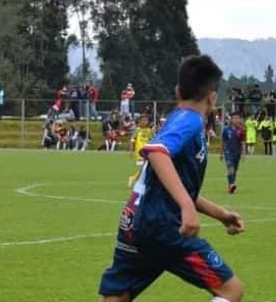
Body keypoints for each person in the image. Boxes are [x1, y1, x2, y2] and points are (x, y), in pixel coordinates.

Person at [97, 55, 246, 302]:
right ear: (212, 97)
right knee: (231, 291)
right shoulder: (190, 121)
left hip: (135, 221)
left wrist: (220, 214)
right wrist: (186, 207)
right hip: (163, 226)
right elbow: (157, 152)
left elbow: (177, 185)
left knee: (116, 298)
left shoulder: (176, 118)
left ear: (178, 91)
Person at [221, 114, 246, 194]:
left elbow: (243, 143)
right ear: (231, 120)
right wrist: (221, 153)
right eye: (234, 118)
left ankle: (230, 185)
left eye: (237, 118)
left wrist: (243, 154)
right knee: (230, 168)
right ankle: (232, 184)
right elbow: (223, 142)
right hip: (228, 152)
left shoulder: (241, 130)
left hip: (237, 153)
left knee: (234, 170)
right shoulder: (226, 130)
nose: (236, 120)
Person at [128, 116, 155, 187]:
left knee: (144, 168)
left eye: (146, 120)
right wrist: (131, 151)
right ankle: (135, 179)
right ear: (140, 122)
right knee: (143, 168)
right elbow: (132, 141)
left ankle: (135, 179)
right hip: (139, 152)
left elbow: (153, 140)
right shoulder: (137, 130)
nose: (145, 122)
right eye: (143, 120)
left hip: (147, 152)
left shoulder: (150, 131)